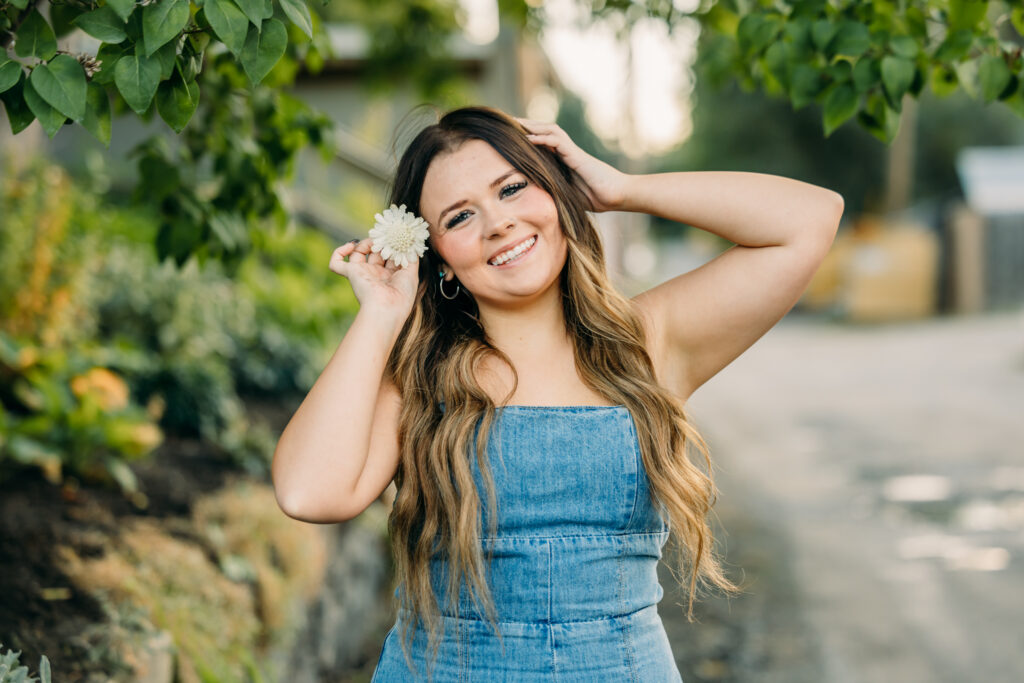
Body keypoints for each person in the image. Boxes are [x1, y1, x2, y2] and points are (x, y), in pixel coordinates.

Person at [271, 105, 845, 681]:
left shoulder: (646, 343)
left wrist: (621, 189)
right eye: (460, 217)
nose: (497, 223)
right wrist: (383, 314)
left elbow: (810, 219)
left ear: (557, 193)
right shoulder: (420, 376)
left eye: (514, 188)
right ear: (438, 260)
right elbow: (307, 492)